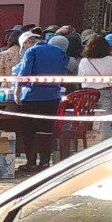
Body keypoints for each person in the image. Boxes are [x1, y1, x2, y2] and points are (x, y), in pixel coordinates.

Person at [14, 29, 73, 173]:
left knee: (29, 131)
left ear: (28, 42)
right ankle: (45, 162)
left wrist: (17, 91)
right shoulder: (59, 51)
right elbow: (63, 72)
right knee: (47, 130)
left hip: (32, 97)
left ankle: (31, 163)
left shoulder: (31, 52)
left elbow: (24, 74)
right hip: (53, 97)